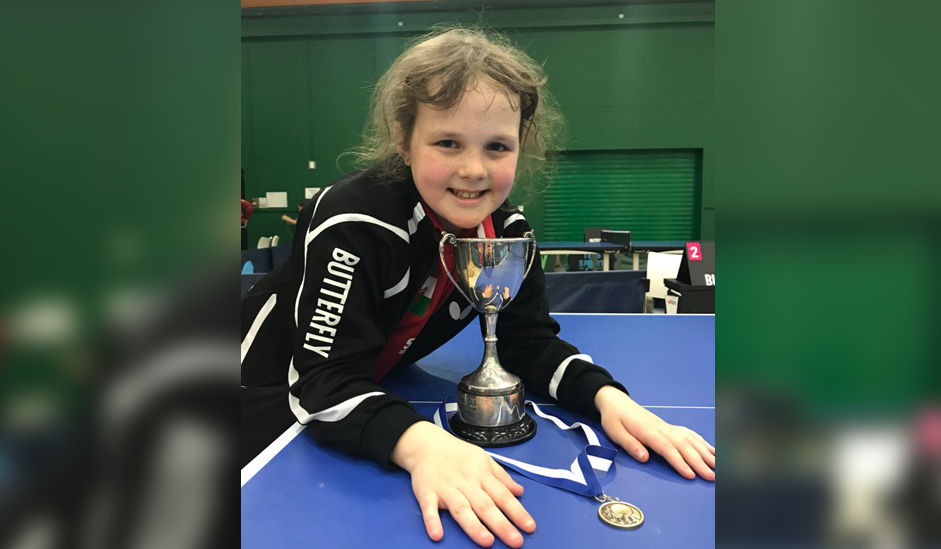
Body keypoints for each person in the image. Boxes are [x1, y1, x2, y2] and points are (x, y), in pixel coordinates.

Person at [241, 27, 714, 549]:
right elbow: (323, 383)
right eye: (448, 142)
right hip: (256, 392)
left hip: (366, 387)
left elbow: (529, 344)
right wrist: (422, 446)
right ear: (403, 139)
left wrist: (607, 398)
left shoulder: (509, 234)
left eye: (497, 147)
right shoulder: (355, 220)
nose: (473, 169)